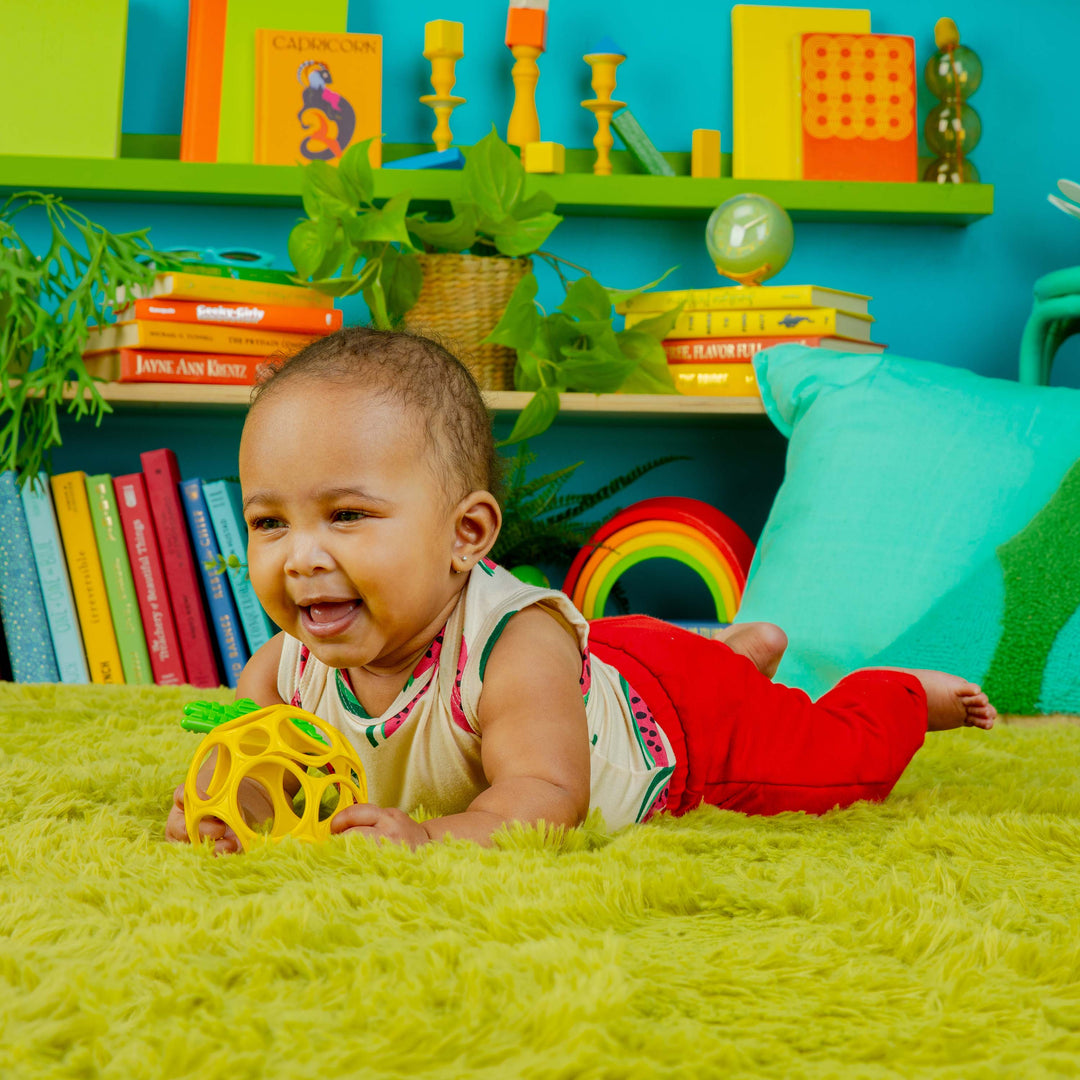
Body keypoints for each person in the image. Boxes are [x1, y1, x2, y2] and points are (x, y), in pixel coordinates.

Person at [165, 327, 996, 855]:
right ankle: (737, 653)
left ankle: (891, 698)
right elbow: (256, 742)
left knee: (825, 766)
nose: (300, 557)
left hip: (675, 723)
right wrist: (225, 806)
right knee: (675, 664)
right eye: (269, 523)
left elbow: (545, 797)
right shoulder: (287, 663)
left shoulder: (510, 652)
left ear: (467, 536)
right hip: (606, 664)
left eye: (346, 515)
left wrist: (429, 837)